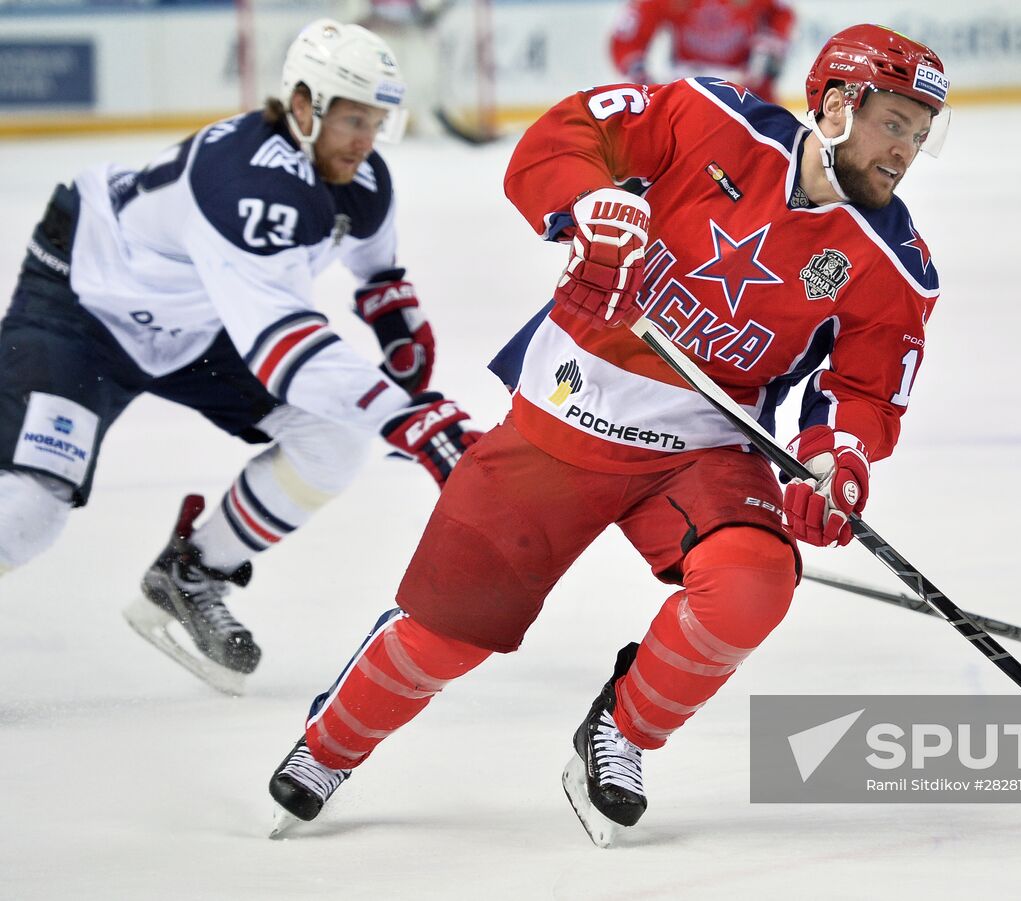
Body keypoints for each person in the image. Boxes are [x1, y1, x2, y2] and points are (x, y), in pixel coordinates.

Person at [266, 24, 949, 844]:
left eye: (920, 132)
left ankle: (618, 735)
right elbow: (568, 134)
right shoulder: (708, 119)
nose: (906, 150)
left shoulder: (895, 259)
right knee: (447, 633)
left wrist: (832, 456)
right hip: (566, 409)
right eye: (894, 123)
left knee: (752, 583)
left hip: (705, 448)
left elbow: (862, 390)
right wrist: (594, 204)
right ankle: (332, 746)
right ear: (838, 105)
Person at [0, 19, 480, 694]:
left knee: (334, 434)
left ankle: (192, 572)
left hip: (197, 322)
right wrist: (412, 417)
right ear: (305, 105)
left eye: (378, 122)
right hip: (84, 307)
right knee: (26, 511)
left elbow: (378, 270)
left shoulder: (359, 177)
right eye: (352, 121)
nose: (367, 143)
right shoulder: (245, 183)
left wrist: (399, 323)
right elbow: (285, 346)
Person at [609, 0, 795, 103]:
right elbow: (627, 37)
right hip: (684, 90)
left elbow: (782, 13)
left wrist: (770, 49)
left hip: (746, 90)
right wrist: (638, 72)